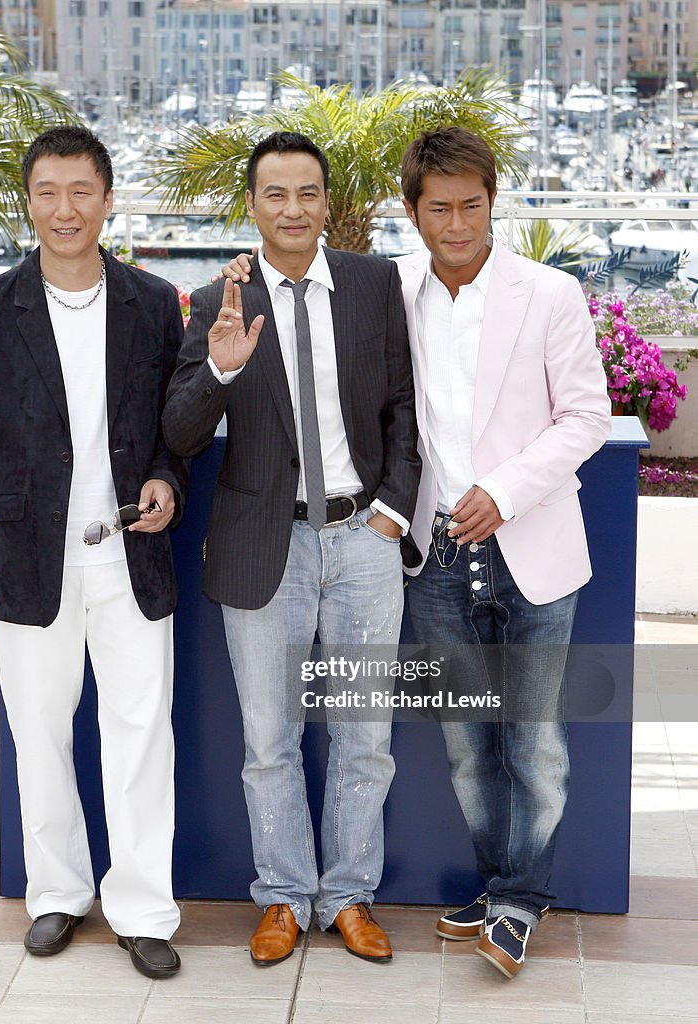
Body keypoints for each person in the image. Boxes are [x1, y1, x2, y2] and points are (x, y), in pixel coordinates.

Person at [222, 125, 610, 979]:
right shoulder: (390, 287)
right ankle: (493, 885)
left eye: (473, 206)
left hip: (530, 545)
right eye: (440, 208)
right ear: (413, 211)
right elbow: (349, 354)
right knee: (469, 743)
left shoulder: (551, 294)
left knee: (535, 740)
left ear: (491, 204)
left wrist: (504, 492)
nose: (458, 223)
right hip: (429, 557)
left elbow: (585, 416)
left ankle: (517, 896)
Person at [0, 125, 188, 979]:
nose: (65, 209)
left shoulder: (153, 302)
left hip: (132, 554)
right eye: (48, 192)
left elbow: (173, 428)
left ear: (107, 198)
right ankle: (57, 895)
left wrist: (166, 478)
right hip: (29, 557)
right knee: (40, 736)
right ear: (30, 201)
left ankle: (142, 909)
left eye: (80, 191)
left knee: (140, 734)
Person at [162, 131, 421, 966]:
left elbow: (405, 413)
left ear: (325, 200)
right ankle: (280, 897)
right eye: (276, 194)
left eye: (307, 192)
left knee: (364, 736)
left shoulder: (375, 284)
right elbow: (179, 429)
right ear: (252, 205)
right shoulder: (216, 300)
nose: (293, 209)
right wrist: (223, 371)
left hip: (363, 543)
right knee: (267, 739)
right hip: (262, 546)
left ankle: (348, 897)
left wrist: (392, 513)